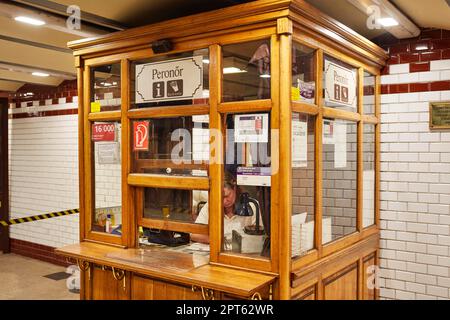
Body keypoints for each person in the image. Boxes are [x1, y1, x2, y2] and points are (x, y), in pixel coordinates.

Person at [190, 172, 262, 250]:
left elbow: (261, 238)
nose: (224, 201)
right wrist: (221, 241)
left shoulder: (253, 206)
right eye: (220, 197)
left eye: (227, 196)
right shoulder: (210, 206)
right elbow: (194, 234)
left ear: (234, 188)